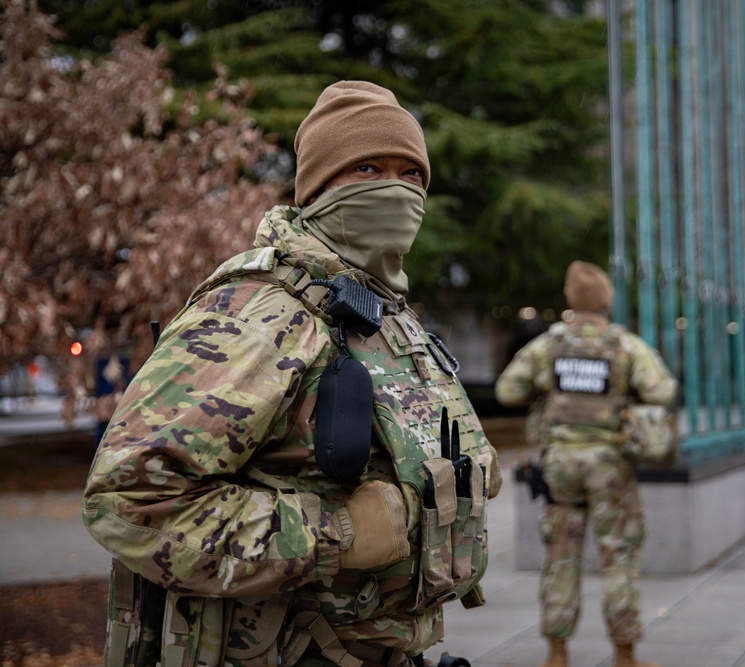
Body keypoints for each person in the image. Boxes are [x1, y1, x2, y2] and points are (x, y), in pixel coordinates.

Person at [83, 80, 501, 667]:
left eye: (412, 175)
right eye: (367, 169)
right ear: (318, 189)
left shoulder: (382, 316)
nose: (396, 190)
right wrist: (338, 533)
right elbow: (128, 501)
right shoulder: (259, 315)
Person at [494, 261, 677, 667]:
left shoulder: (549, 344)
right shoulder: (624, 344)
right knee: (620, 557)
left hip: (560, 465)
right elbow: (662, 390)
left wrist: (548, 392)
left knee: (560, 558)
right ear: (606, 300)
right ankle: (625, 655)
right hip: (611, 465)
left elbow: (508, 389)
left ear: (572, 300)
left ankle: (557, 654)